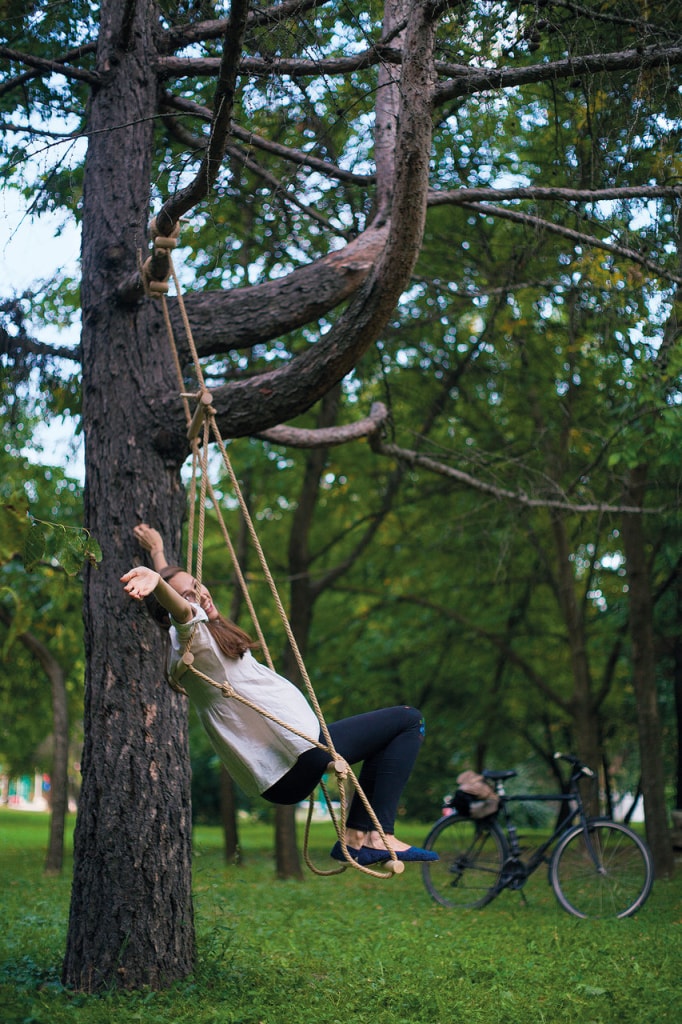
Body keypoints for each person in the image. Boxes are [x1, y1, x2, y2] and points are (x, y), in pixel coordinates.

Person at [121, 523, 438, 866]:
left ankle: (358, 836)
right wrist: (156, 581)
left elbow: (180, 599)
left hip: (283, 768)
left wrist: (157, 552)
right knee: (409, 720)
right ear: (169, 611)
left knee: (385, 738)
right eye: (187, 595)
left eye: (197, 586)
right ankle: (378, 834)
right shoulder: (194, 640)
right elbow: (183, 615)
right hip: (299, 755)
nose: (199, 595)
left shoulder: (202, 641)